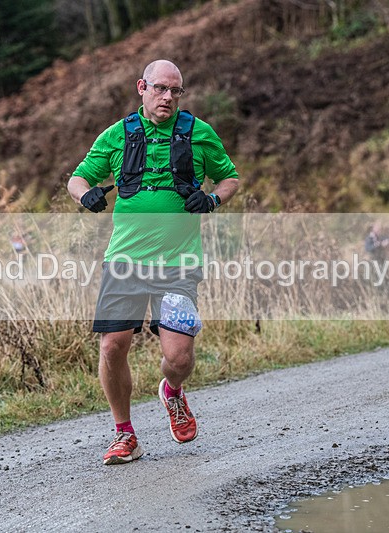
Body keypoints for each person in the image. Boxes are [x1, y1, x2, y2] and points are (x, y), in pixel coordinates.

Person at [67, 59, 239, 465]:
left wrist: (212, 200)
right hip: (124, 261)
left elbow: (230, 178)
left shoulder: (199, 133)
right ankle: (124, 434)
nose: (168, 97)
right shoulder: (117, 135)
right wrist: (85, 195)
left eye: (175, 91)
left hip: (178, 264)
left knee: (179, 358)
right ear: (142, 87)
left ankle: (172, 391)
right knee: (112, 346)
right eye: (160, 88)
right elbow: (77, 178)